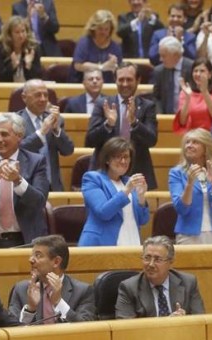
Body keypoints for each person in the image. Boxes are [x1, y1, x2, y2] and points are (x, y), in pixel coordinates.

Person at [0, 113, 50, 248]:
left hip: (27, 240)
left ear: (19, 136)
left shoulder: (36, 161)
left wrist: (18, 181)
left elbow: (39, 201)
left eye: (4, 134)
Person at [86, 62, 158, 190]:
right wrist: (108, 124)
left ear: (138, 80)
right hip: (105, 172)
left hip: (137, 171)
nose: (125, 84)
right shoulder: (103, 104)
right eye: (121, 80)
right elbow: (90, 140)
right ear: (115, 80)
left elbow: (152, 140)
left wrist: (135, 122)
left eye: (129, 80)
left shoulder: (148, 106)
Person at [8, 235, 95, 323]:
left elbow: (85, 329)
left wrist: (59, 302)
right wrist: (30, 309)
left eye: (38, 255)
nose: (31, 260)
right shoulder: (21, 289)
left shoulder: (83, 292)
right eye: (32, 255)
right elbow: (12, 329)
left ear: (56, 262)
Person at [78, 137, 149, 246]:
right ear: (107, 159)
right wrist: (126, 190)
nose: (123, 161)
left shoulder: (128, 182)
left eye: (126, 157)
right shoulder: (93, 178)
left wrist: (141, 197)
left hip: (132, 241)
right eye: (118, 157)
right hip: (101, 244)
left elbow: (143, 220)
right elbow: (103, 212)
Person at [169, 128, 212, 244]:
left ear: (206, 148)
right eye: (187, 142)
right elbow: (181, 209)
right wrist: (189, 184)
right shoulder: (177, 173)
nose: (189, 145)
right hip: (188, 235)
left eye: (195, 142)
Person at [115, 235, 206, 318]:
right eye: (147, 258)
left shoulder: (188, 283)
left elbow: (200, 321)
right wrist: (166, 324)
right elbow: (125, 328)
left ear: (170, 262)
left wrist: (185, 321)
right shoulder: (129, 288)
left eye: (158, 259)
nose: (151, 264)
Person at [17, 79, 74, 191]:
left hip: (53, 186)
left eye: (45, 95)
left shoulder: (56, 120)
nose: (43, 99)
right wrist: (41, 132)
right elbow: (17, 151)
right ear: (24, 97)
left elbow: (68, 150)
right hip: (27, 187)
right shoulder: (15, 121)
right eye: (38, 95)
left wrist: (56, 130)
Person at [172, 58, 212, 133]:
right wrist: (188, 98)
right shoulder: (186, 92)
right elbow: (182, 121)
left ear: (210, 74)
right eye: (195, 71)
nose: (198, 74)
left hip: (211, 136)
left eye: (202, 71)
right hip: (192, 136)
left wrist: (204, 91)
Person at [69, 10, 122, 84]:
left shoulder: (115, 47)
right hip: (82, 85)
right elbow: (78, 65)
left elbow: (119, 72)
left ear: (111, 29)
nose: (103, 32)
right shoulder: (84, 43)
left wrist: (115, 66)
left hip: (107, 86)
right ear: (93, 28)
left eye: (106, 29)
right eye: (100, 29)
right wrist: (102, 67)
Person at [0, 15, 42, 83]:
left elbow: (38, 77)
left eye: (23, 31)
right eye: (17, 32)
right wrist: (12, 66)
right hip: (8, 88)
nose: (21, 35)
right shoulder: (1, 48)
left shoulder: (33, 48)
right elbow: (1, 77)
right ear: (9, 34)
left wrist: (28, 65)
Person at [152, 36, 193, 115]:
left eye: (163, 56)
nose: (160, 59)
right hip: (165, 117)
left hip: (188, 116)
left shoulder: (192, 68)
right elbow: (156, 97)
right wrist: (160, 114)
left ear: (176, 55)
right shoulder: (159, 71)